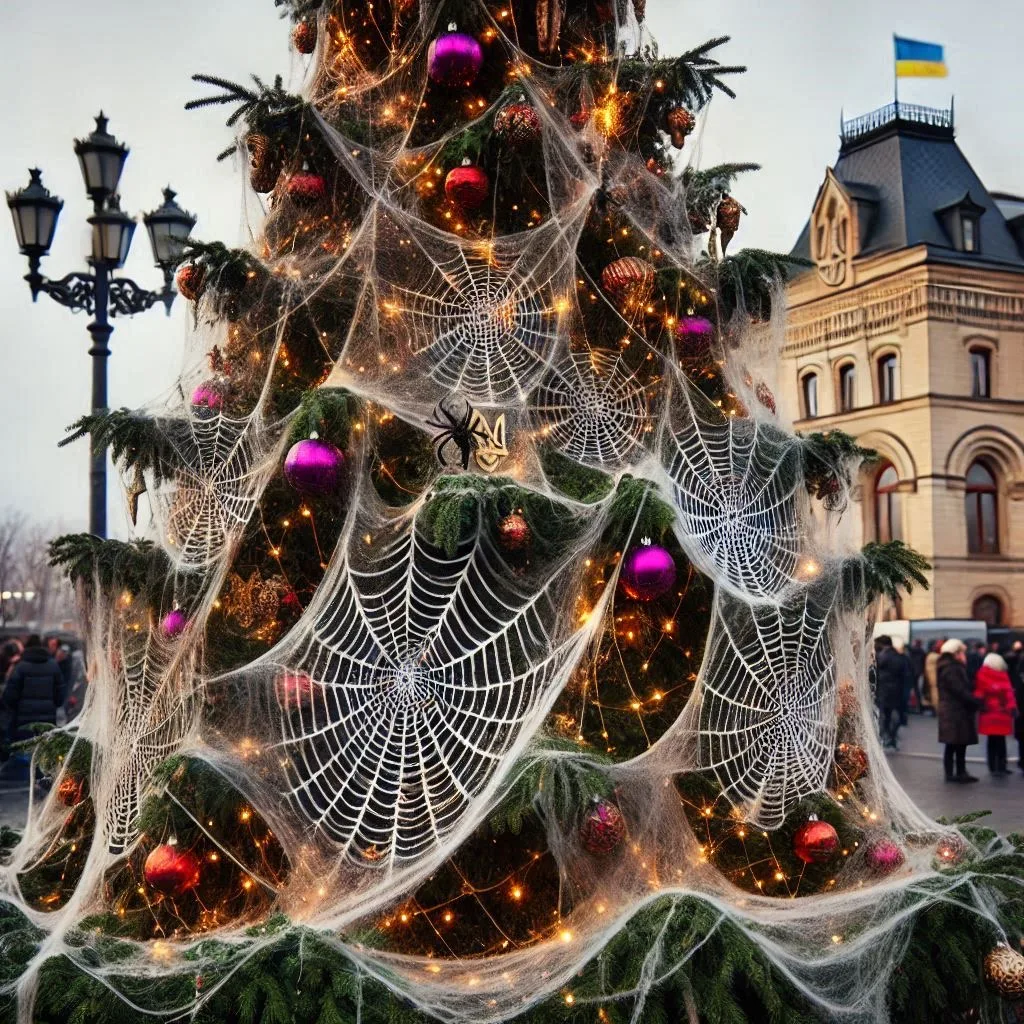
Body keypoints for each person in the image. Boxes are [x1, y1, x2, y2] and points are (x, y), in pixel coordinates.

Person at [2, 634, 65, 743]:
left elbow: (9, 698)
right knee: (43, 754)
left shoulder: (20, 667)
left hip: (23, 724)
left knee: (24, 752)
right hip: (47, 724)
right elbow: (60, 698)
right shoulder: (53, 666)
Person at [937, 638, 983, 783]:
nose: (964, 655)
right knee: (955, 743)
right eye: (962, 652)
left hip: (954, 710)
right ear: (956, 653)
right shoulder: (952, 668)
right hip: (955, 711)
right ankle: (955, 773)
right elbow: (959, 690)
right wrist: (975, 702)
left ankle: (957, 772)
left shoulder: (949, 666)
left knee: (956, 743)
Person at [974, 652, 1018, 776]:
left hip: (989, 712)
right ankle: (1001, 766)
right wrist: (1012, 707)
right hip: (1001, 712)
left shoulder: (982, 674)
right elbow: (1009, 693)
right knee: (1000, 740)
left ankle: (993, 766)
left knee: (993, 740)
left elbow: (979, 693)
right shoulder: (1003, 675)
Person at [874, 636, 906, 750]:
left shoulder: (881, 656)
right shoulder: (898, 656)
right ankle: (891, 737)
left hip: (883, 690)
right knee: (892, 715)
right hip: (895, 691)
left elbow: (875, 674)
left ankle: (885, 737)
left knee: (884, 716)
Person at [891, 637, 915, 726]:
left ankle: (902, 720)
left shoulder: (902, 658)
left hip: (901, 684)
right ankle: (903, 720)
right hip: (904, 683)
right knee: (903, 703)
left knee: (901, 703)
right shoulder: (906, 658)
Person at [923, 640, 942, 716]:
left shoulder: (929, 656)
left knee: (933, 693)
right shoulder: (934, 657)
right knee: (935, 694)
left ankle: (935, 709)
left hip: (930, 677)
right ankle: (937, 709)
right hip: (934, 678)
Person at [908, 638, 926, 714]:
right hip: (918, 672)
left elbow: (910, 648)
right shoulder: (922, 652)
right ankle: (919, 706)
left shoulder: (914, 650)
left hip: (913, 672)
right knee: (917, 690)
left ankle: (913, 706)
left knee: (911, 689)